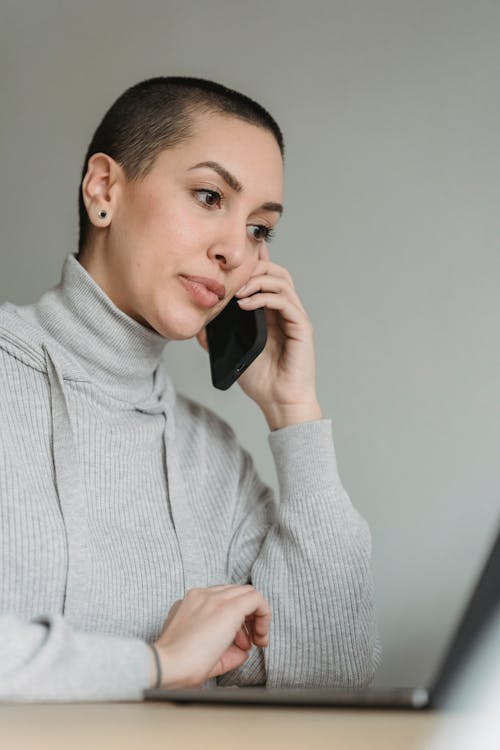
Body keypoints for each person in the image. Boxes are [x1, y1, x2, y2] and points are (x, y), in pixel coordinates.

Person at [0, 76, 381, 701]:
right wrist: (157, 664)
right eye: (209, 196)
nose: (236, 249)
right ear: (104, 190)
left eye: (261, 228)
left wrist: (294, 414)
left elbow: (333, 669)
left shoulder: (214, 461)